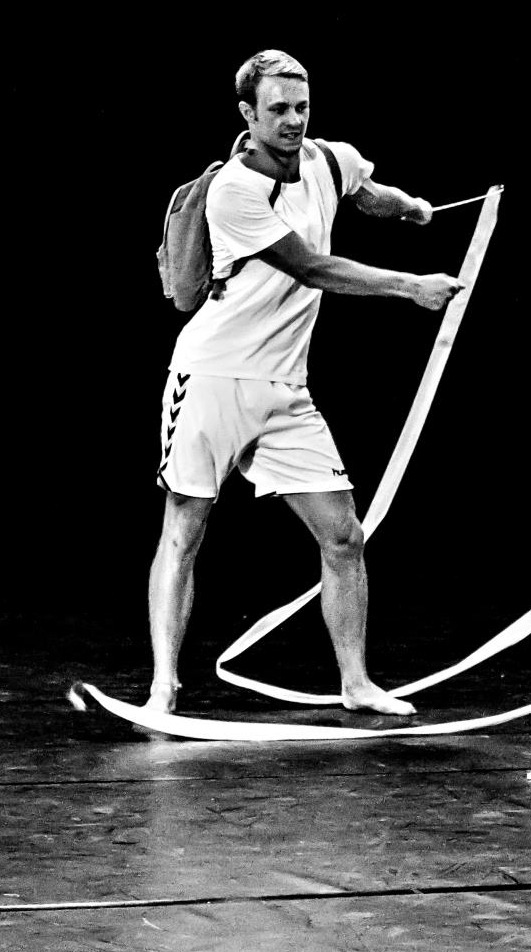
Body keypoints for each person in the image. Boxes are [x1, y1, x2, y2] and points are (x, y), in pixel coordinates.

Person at [147, 50, 463, 716]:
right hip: (213, 378)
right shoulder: (235, 190)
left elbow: (368, 193)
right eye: (278, 110)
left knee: (344, 535)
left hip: (285, 388)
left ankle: (356, 683)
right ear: (247, 114)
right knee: (185, 528)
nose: (293, 120)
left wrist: (411, 208)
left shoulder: (327, 159)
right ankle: (163, 686)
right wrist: (410, 286)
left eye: (302, 107)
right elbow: (312, 267)